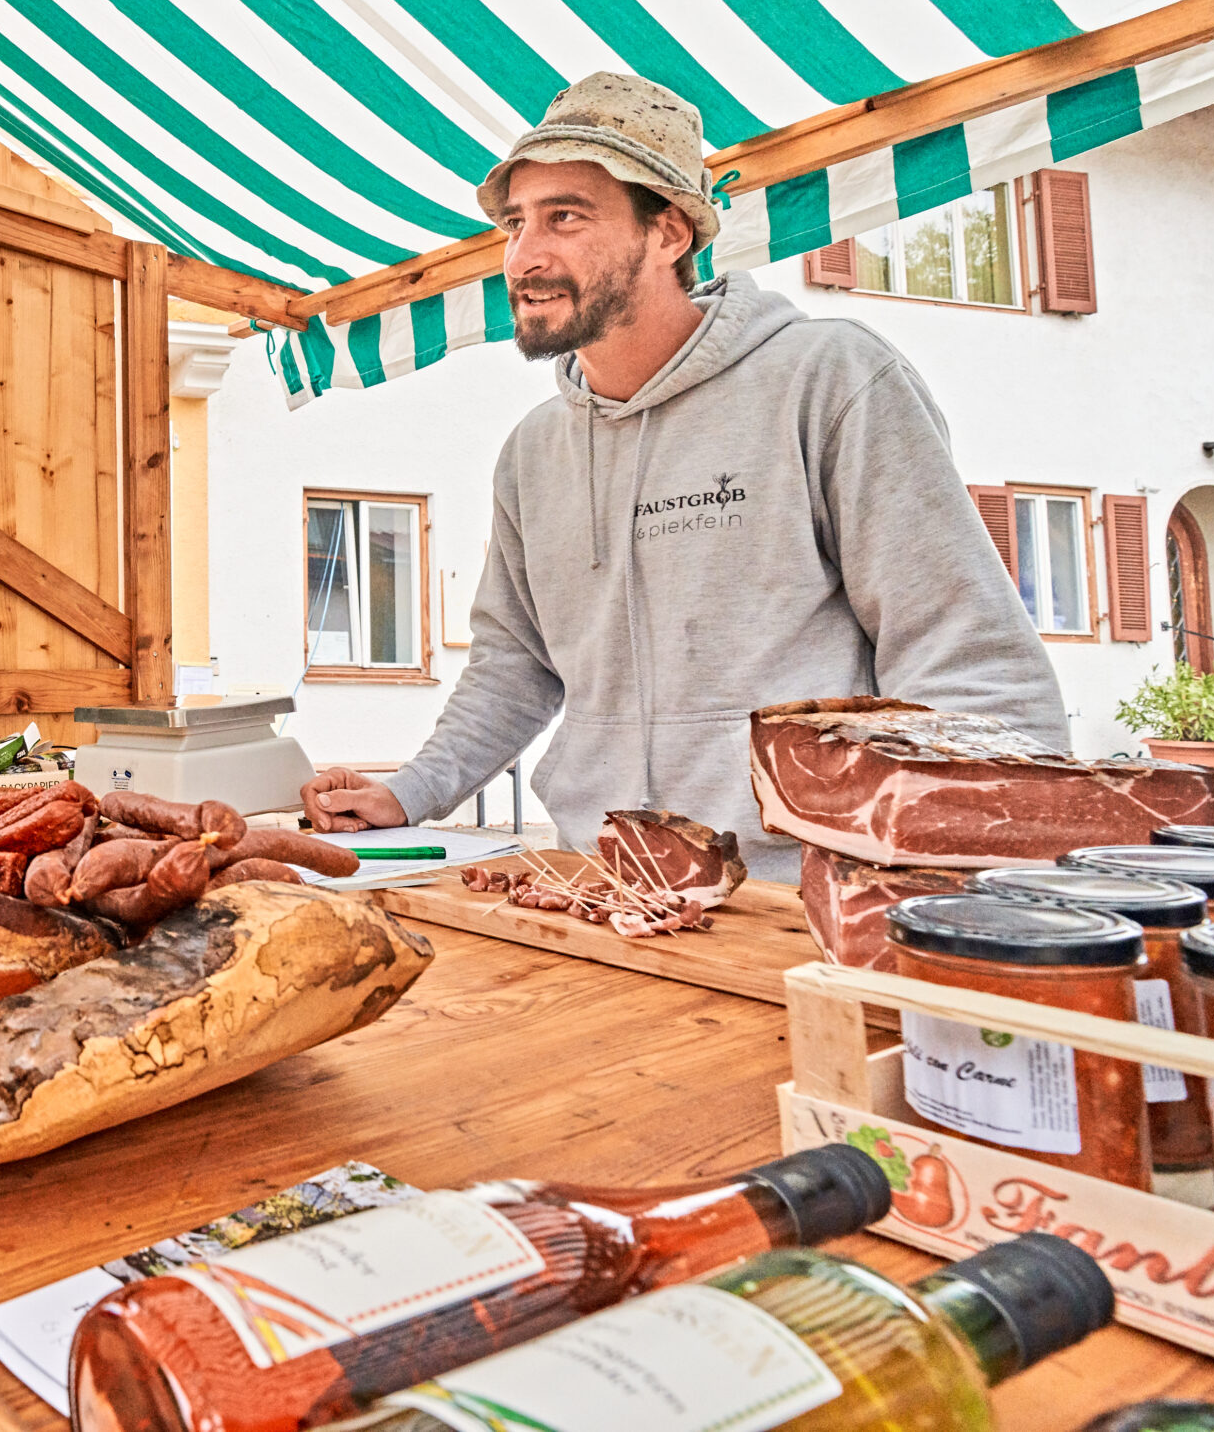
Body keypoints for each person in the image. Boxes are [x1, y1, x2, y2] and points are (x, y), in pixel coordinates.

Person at [300, 73, 1063, 882]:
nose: (525, 255)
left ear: (668, 233)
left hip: (803, 892)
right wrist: (412, 791)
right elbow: (514, 665)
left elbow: (965, 656)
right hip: (601, 884)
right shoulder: (533, 452)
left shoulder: (829, 378)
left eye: (566, 216)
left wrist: (973, 894)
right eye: (516, 224)